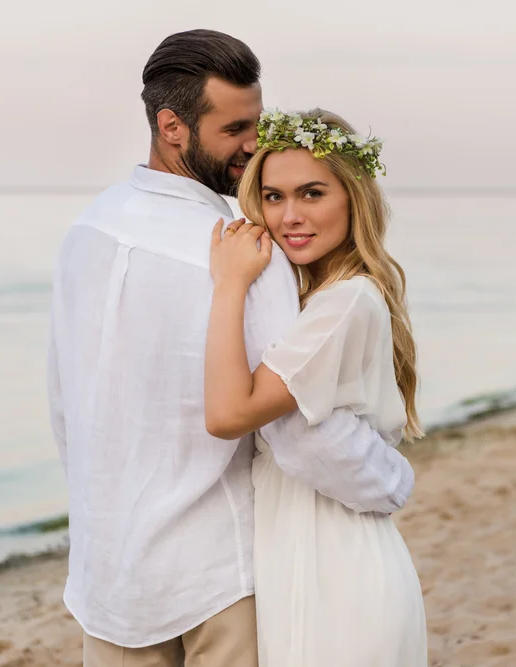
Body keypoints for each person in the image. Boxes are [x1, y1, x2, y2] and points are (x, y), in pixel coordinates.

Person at [45, 30, 415, 667]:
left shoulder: (87, 231)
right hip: (217, 574)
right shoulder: (244, 253)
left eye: (257, 121)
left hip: (110, 571)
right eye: (236, 127)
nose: (254, 144)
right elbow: (298, 432)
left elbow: (65, 404)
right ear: (173, 127)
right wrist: (391, 478)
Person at [205, 108, 428, 666]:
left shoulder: (345, 302)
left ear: (354, 197)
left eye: (311, 193)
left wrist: (229, 285)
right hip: (305, 555)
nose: (290, 216)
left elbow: (230, 413)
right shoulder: (320, 298)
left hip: (336, 567)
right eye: (274, 197)